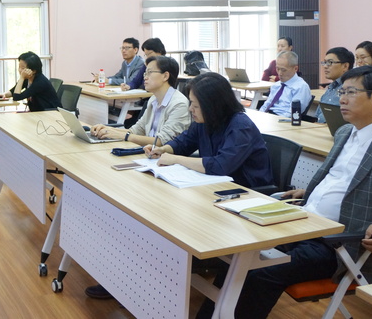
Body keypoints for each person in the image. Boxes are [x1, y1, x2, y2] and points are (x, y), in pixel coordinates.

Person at [197, 66, 372, 319]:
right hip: (303, 223)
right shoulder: (344, 133)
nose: (342, 99)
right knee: (237, 256)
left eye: (351, 92)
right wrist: (310, 192)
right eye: (342, 92)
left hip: (340, 245)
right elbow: (340, 182)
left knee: (260, 273)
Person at [86, 70, 267, 301]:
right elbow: (183, 142)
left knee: (162, 223)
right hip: (211, 192)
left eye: (195, 105)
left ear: (213, 105)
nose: (191, 109)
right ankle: (126, 280)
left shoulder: (240, 125)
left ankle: (138, 282)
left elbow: (221, 165)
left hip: (242, 200)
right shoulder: (205, 121)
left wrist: (175, 159)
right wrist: (163, 150)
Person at [90, 56, 190, 147]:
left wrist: (123, 136)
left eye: (150, 72)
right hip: (149, 152)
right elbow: (136, 130)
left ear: (165, 76)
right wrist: (107, 129)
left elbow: (162, 141)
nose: (145, 77)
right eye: (145, 73)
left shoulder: (179, 104)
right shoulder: (153, 99)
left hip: (165, 158)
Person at [260, 51, 311, 117]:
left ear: (295, 69)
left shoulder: (301, 87)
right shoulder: (276, 85)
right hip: (269, 116)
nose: (280, 73)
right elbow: (266, 105)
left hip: (282, 119)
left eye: (283, 70)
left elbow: (292, 114)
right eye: (277, 69)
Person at [315, 47, 353, 123]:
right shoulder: (330, 88)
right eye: (325, 62)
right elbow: (317, 116)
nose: (325, 66)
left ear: (345, 66)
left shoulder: (350, 89)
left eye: (330, 62)